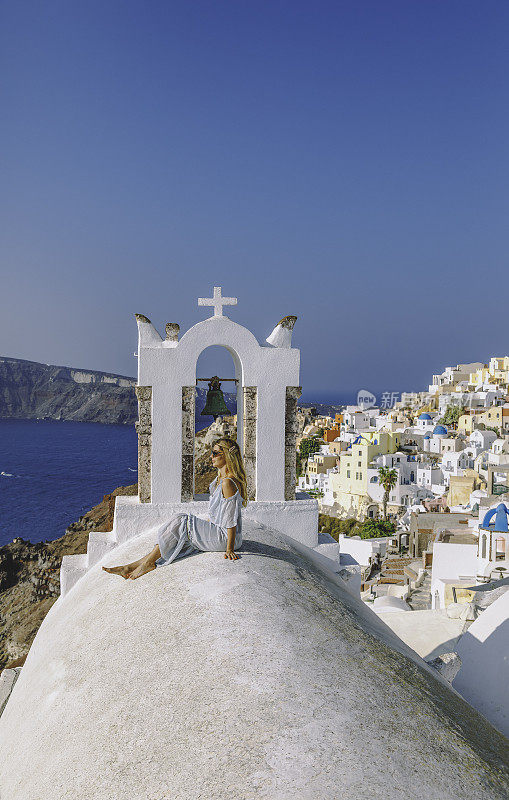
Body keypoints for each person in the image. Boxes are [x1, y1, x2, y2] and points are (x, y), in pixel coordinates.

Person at [103, 437, 247, 580]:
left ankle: (147, 563)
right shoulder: (220, 480)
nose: (211, 456)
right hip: (219, 531)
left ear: (227, 455)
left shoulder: (228, 483)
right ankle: (131, 566)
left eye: (215, 453)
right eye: (212, 452)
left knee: (182, 521)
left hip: (226, 537)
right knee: (179, 522)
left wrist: (229, 549)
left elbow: (230, 519)